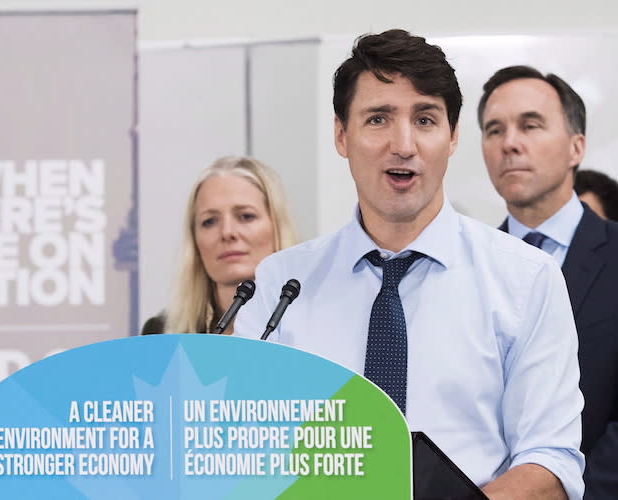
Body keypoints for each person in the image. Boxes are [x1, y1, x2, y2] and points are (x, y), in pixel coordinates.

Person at [235, 30, 584, 499]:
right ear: (342, 135)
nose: (403, 144)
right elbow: (247, 450)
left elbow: (550, 460)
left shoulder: (526, 279)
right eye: (378, 119)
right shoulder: (281, 284)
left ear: (453, 136)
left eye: (425, 119)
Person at [479, 65, 618, 499]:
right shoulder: (469, 266)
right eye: (494, 130)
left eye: (530, 125)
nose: (510, 143)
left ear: (576, 147)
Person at [142, 156, 297, 335]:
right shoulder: (161, 334)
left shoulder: (315, 328)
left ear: (277, 226)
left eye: (246, 216)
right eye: (209, 221)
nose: (227, 232)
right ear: (194, 240)